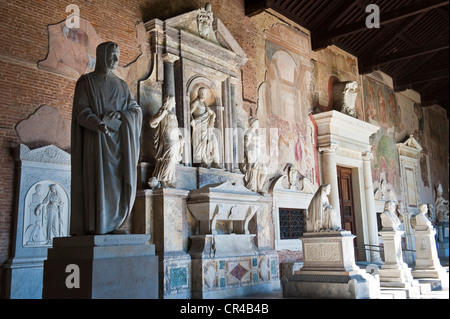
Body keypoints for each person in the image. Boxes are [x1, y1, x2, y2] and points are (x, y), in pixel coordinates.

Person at [70, 42, 142, 235]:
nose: (115, 60)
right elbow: (81, 110)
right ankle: (97, 225)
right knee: (99, 182)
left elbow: (134, 109)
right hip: (97, 142)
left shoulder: (122, 85)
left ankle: (114, 224)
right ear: (101, 56)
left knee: (117, 184)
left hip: (119, 144)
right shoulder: (87, 82)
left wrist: (120, 116)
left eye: (117, 56)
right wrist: (97, 123)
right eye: (111, 55)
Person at [148, 95, 185, 188]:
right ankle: (162, 179)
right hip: (167, 136)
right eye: (173, 101)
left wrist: (180, 136)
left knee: (174, 157)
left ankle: (168, 179)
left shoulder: (172, 114)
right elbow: (152, 123)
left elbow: (176, 126)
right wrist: (162, 114)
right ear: (168, 101)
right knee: (169, 156)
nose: (175, 103)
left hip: (175, 136)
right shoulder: (163, 110)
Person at [190, 87, 221, 168]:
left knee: (214, 142)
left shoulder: (205, 104)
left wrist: (211, 112)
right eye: (202, 93)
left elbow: (211, 114)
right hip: (200, 126)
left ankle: (216, 162)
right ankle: (204, 161)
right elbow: (188, 112)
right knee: (203, 144)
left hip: (207, 127)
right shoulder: (196, 102)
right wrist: (192, 120)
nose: (203, 95)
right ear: (198, 93)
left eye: (205, 93)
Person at [243, 117, 267, 193]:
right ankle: (253, 187)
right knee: (253, 171)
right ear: (253, 124)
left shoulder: (256, 133)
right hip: (252, 153)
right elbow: (246, 145)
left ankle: (259, 187)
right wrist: (248, 155)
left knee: (264, 171)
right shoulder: (248, 133)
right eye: (257, 123)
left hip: (258, 154)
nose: (258, 125)